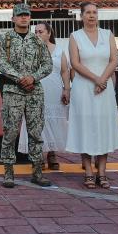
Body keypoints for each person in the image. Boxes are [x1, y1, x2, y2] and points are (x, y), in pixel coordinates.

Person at [65, 2, 118, 189]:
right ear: (81, 16)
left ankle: (103, 172)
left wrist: (103, 80)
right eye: (88, 13)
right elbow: (75, 63)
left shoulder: (108, 35)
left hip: (104, 89)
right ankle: (89, 171)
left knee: (103, 127)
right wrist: (96, 79)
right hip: (84, 88)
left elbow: (114, 60)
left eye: (94, 12)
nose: (91, 16)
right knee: (86, 127)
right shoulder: (75, 36)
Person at [0, 3, 53, 188]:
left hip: (34, 93)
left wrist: (33, 78)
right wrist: (21, 78)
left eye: (26, 15)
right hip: (13, 92)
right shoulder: (5, 40)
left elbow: (47, 64)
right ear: (13, 18)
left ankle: (37, 171)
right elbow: (1, 63)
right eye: (19, 15)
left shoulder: (37, 41)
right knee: (10, 132)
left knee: (35, 133)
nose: (23, 18)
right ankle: (8, 172)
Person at [34, 22, 70, 170]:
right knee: (38, 123)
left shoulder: (59, 50)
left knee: (54, 121)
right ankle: (40, 156)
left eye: (40, 32)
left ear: (49, 33)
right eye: (35, 32)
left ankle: (52, 154)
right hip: (36, 91)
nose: (37, 34)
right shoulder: (32, 51)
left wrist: (66, 89)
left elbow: (65, 71)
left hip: (55, 91)